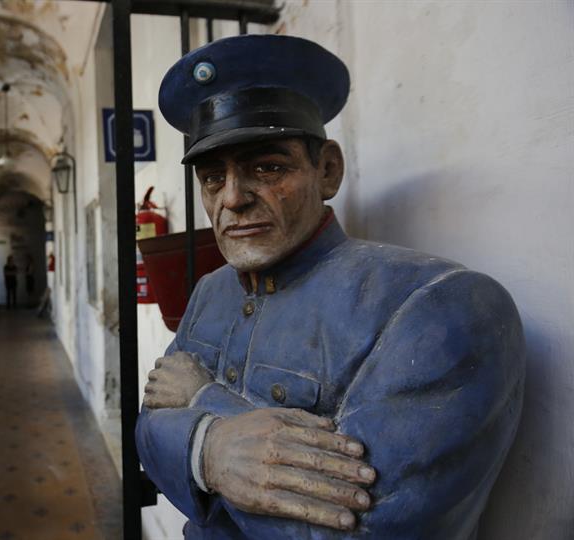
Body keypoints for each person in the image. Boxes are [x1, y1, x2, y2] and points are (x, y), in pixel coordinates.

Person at [136, 35, 524, 539]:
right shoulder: (211, 291)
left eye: (267, 168)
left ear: (328, 171)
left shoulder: (440, 306)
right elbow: (145, 430)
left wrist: (204, 405)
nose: (232, 198)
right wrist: (206, 450)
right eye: (213, 178)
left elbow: (359, 527)